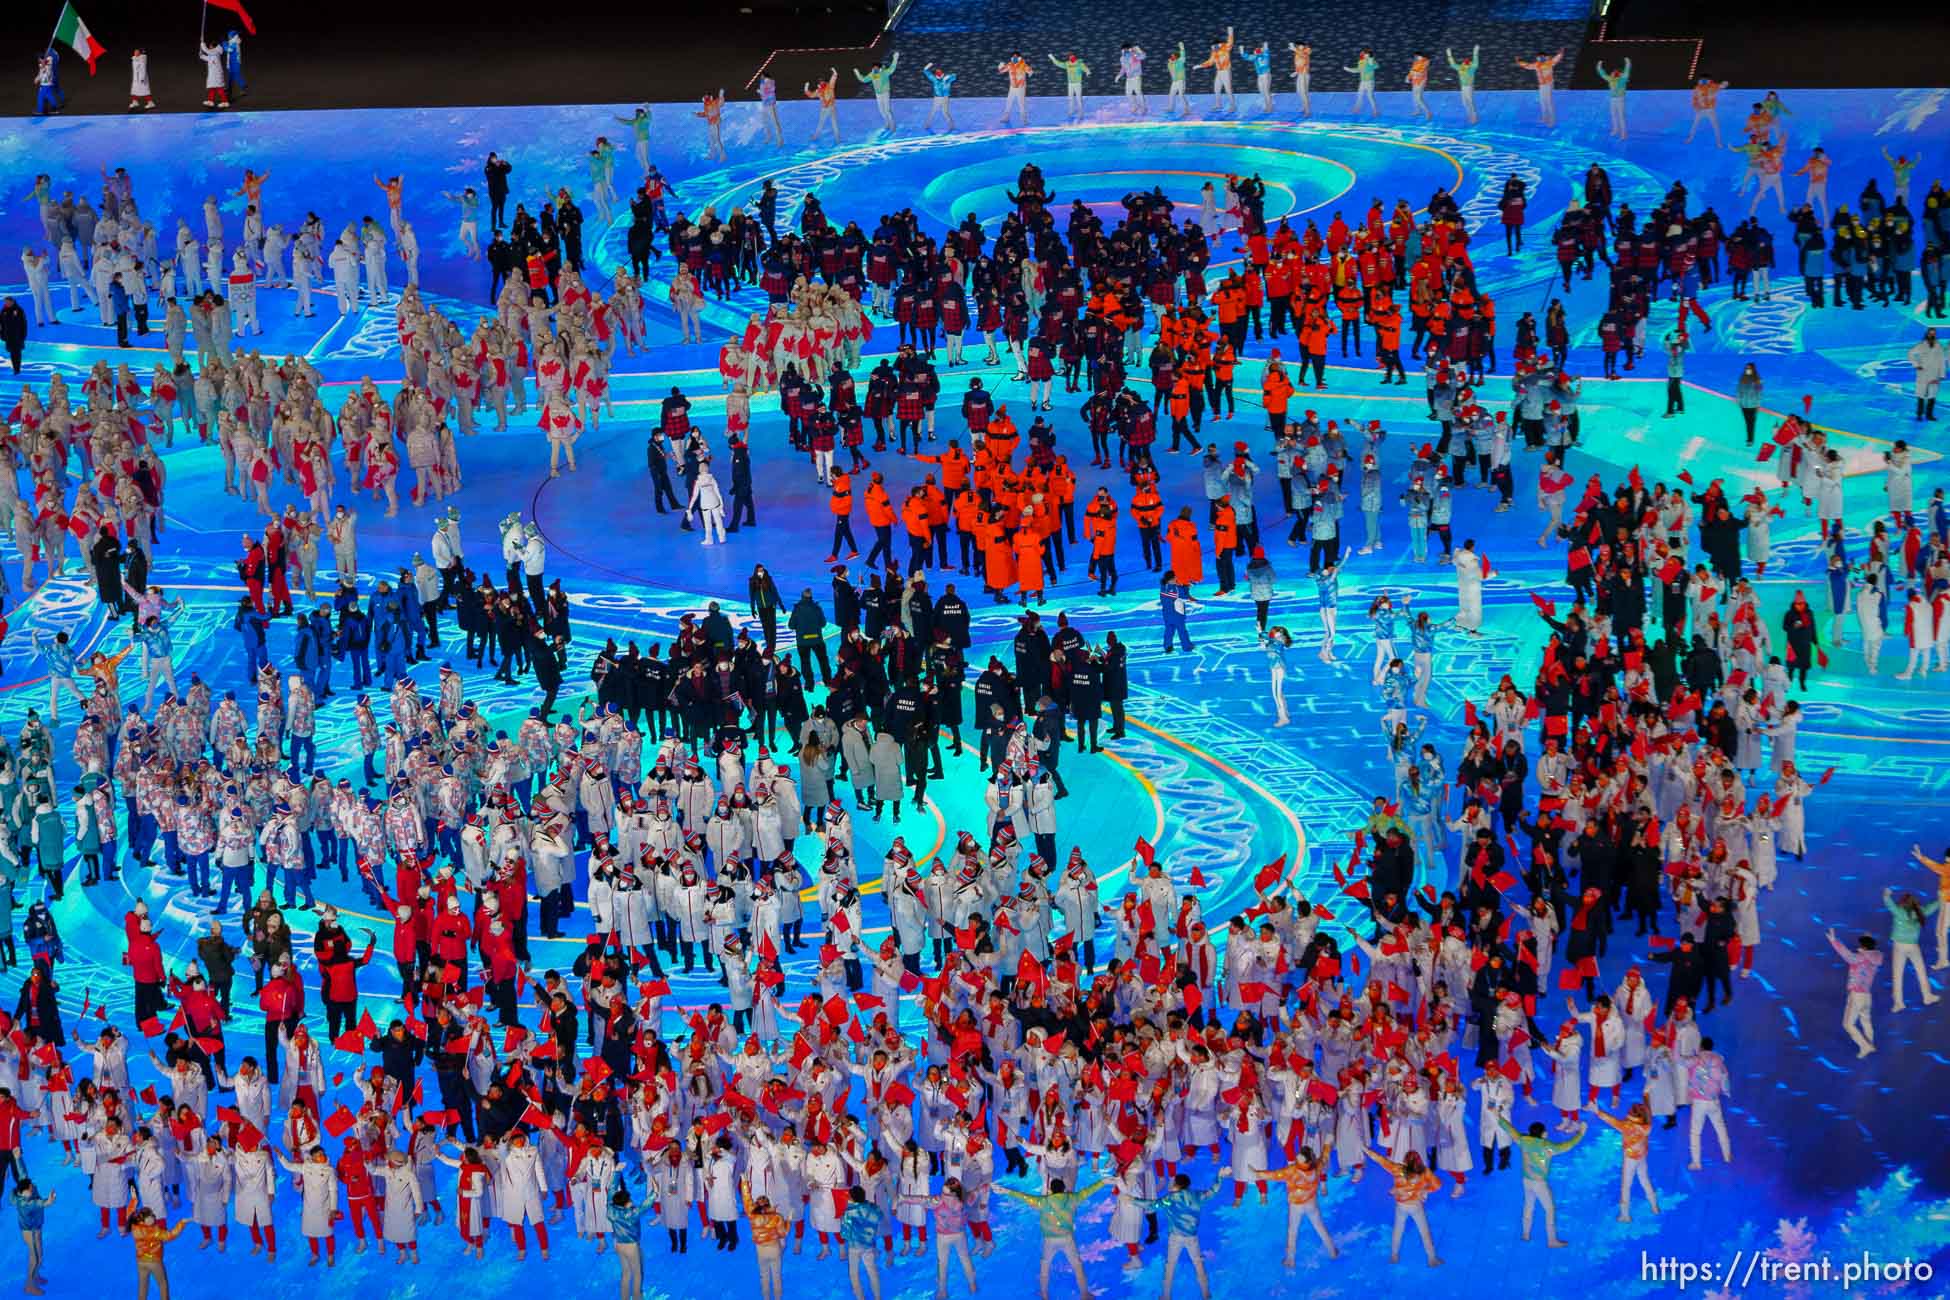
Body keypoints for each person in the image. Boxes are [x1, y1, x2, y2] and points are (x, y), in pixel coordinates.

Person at [996, 1178, 1102, 1300]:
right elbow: (1088, 1191)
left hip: (1049, 1240)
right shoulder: (1072, 1199)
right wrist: (1103, 1182)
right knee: (1077, 1265)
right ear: (1064, 1189)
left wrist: (1006, 1191)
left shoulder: (1043, 1202)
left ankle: (1044, 1294)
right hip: (1067, 1239)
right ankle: (1084, 1293)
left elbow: (1023, 1197)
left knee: (1045, 1266)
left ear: (1050, 1190)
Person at [1497, 1118, 1581, 1247]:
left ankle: (1525, 1234)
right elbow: (1567, 1146)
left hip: (1526, 1180)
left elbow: (1509, 1129)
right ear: (1543, 1134)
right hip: (1540, 1183)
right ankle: (1552, 1240)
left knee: (1528, 1206)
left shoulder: (1523, 1141)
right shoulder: (1547, 1147)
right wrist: (1581, 1134)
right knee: (1549, 1209)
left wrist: (1497, 1115)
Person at [1827, 927, 1885, 1057]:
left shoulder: (1859, 958)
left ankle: (1865, 1046)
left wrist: (1833, 940)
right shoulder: (1875, 959)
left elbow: (1846, 954)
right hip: (1867, 995)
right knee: (1866, 1021)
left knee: (1848, 1024)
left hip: (1856, 995)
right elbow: (1867, 953)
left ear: (1863, 946)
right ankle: (1870, 1044)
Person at [1883, 888, 1940, 1010]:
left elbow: (1889, 904)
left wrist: (1887, 894)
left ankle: (1899, 1003)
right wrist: (1941, 897)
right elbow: (1932, 906)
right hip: (1913, 946)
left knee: (1897, 975)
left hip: (1899, 947)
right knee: (1921, 972)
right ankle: (1927, 996)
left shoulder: (1899, 912)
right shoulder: (1921, 912)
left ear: (1903, 902)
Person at [128, 1207, 187, 1300]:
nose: (154, 1216)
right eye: (151, 1215)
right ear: (146, 1219)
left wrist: (134, 1198)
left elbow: (130, 1211)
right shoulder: (155, 1231)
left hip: (140, 1261)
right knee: (163, 1285)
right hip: (154, 1262)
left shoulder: (134, 1226)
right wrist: (182, 1223)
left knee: (142, 1287)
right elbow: (171, 1235)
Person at [12, 1179, 51, 1295]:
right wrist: (48, 1201)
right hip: (31, 1232)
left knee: (39, 1254)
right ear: (24, 1191)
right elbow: (37, 1204)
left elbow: (22, 1171)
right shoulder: (23, 1203)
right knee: (35, 1258)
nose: (32, 1188)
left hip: (35, 1230)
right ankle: (29, 1285)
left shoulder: (25, 1193)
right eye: (30, 1188)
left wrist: (18, 1160)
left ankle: (36, 1276)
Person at [0, 297, 25, 374]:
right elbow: (1, 323)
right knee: (12, 352)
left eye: (8, 302)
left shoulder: (19, 310)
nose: (6, 304)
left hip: (18, 336)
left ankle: (17, 369)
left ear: (12, 302)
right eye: (5, 302)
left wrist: (23, 335)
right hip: (8, 336)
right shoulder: (3, 310)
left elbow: (23, 323)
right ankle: (15, 368)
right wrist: (1, 334)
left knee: (17, 352)